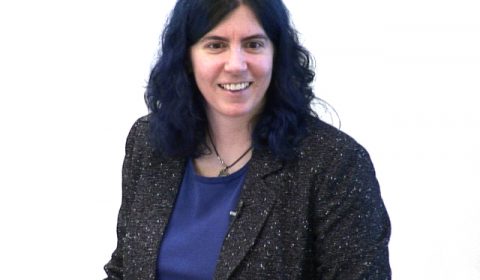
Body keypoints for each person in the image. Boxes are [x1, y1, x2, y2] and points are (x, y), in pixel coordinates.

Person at [103, 0, 391, 279]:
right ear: (187, 57)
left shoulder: (335, 163)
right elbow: (124, 269)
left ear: (277, 54)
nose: (236, 64)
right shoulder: (149, 142)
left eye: (253, 44)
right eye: (216, 45)